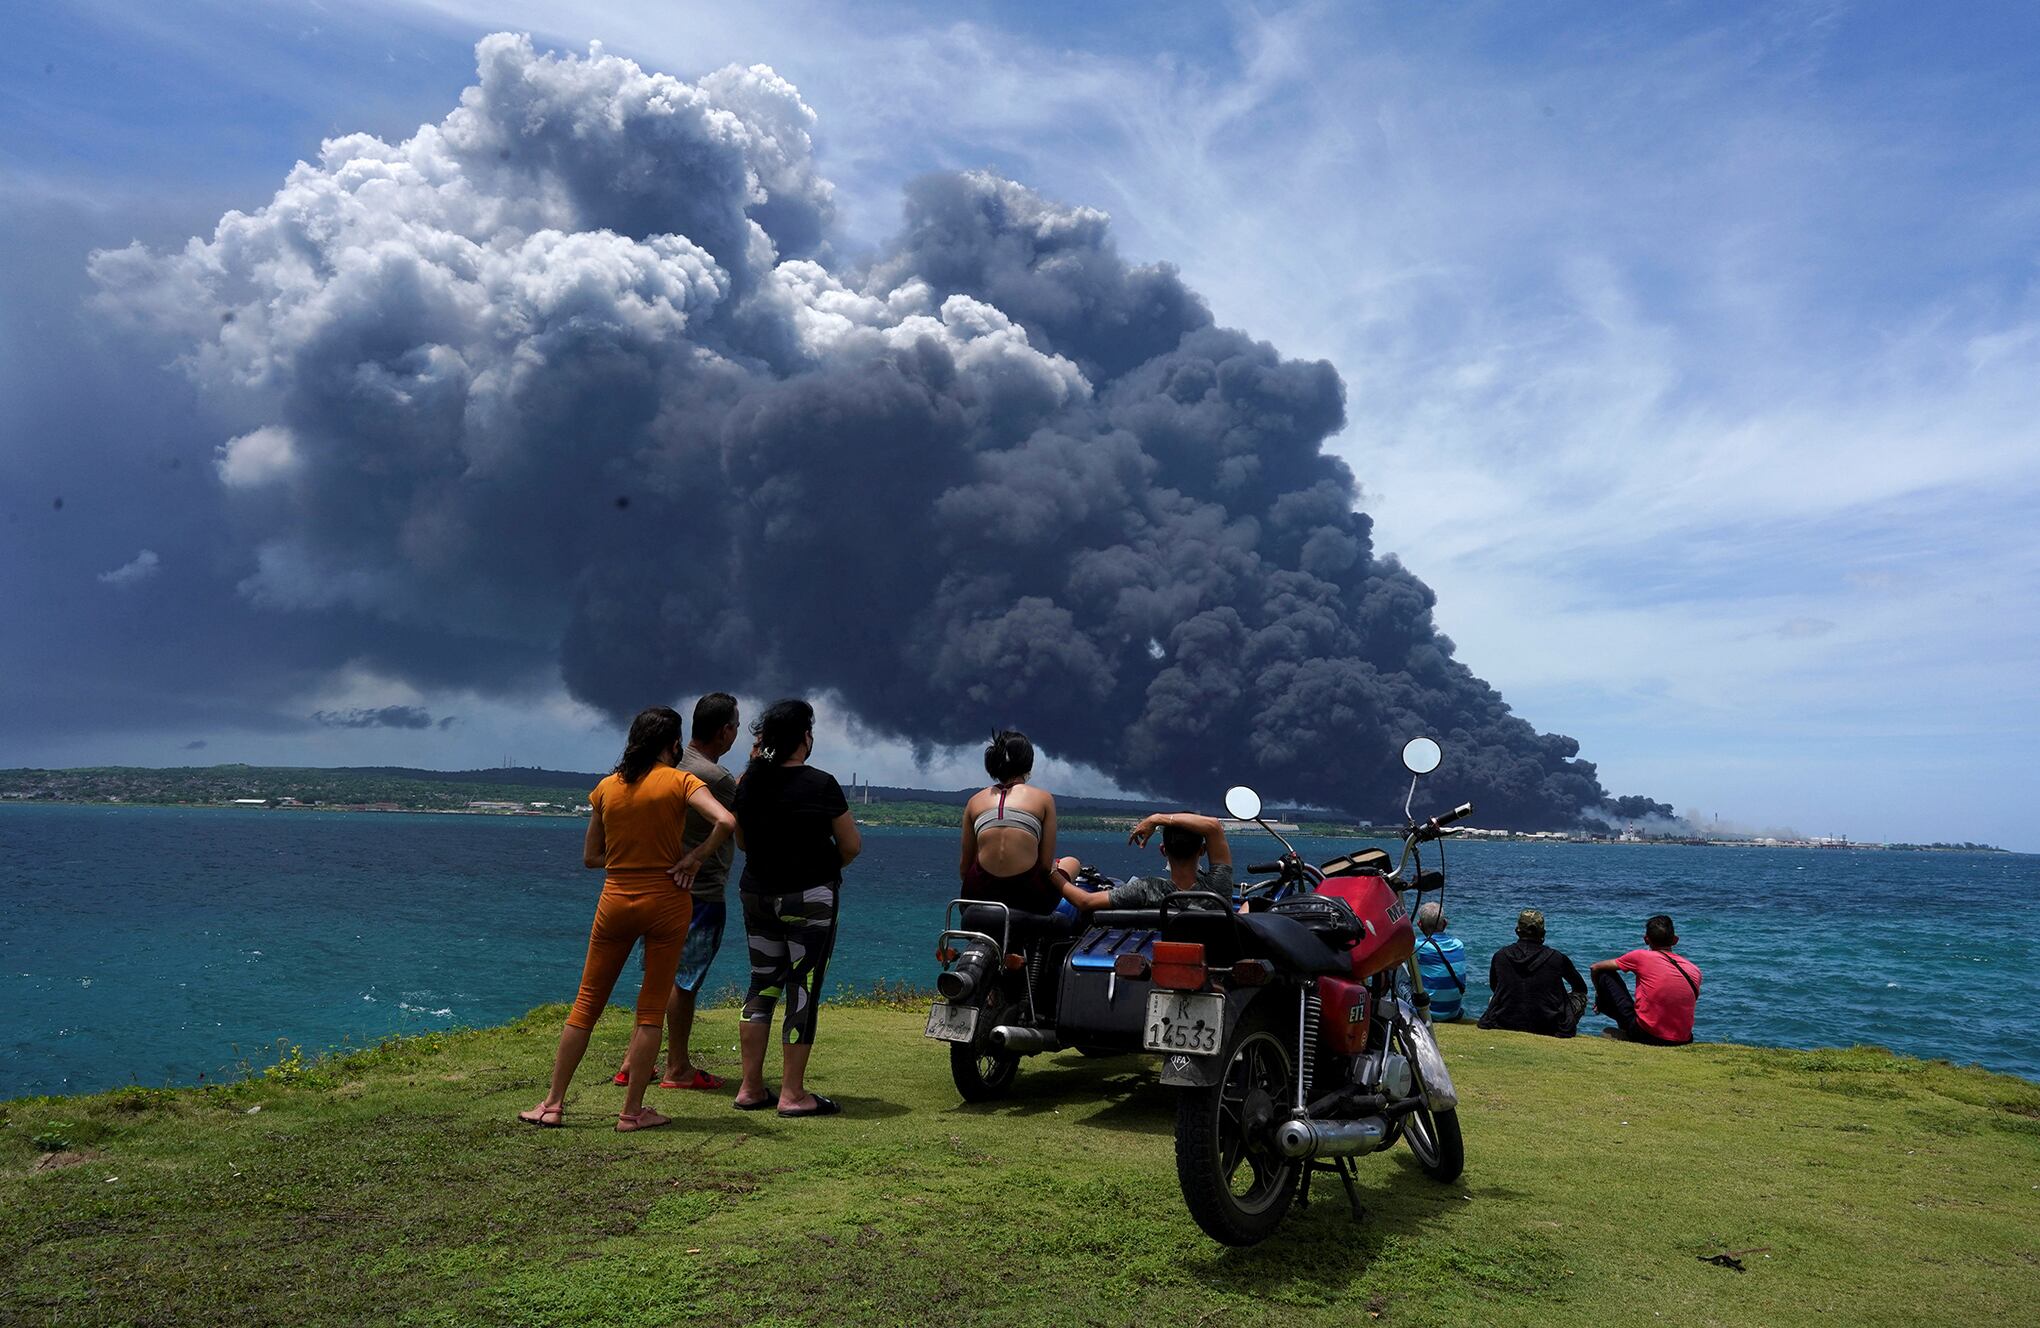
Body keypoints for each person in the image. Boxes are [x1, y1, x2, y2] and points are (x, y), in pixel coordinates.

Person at [520, 705, 735, 1132]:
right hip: (669, 900)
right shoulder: (682, 781)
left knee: (586, 1005)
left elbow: (590, 858)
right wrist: (693, 859)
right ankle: (632, 1113)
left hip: (615, 899)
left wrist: (627, 860)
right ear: (673, 744)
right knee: (650, 1012)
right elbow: (726, 821)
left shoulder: (605, 789)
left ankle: (552, 1104)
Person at [731, 699, 861, 1117]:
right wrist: (821, 869)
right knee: (802, 987)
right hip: (810, 897)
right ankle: (792, 1093)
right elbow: (851, 845)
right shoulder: (821, 783)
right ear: (805, 737)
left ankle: (750, 1088)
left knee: (761, 984)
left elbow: (743, 842)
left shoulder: (749, 782)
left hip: (756, 892)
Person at [611, 692, 741, 1092]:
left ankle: (634, 1062)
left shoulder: (665, 767)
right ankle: (677, 1067)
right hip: (699, 891)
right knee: (685, 983)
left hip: (656, 888)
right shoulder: (715, 779)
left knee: (658, 976)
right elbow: (736, 826)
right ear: (724, 731)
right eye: (735, 725)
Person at [958, 730, 1066, 913]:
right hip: (1028, 900)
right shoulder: (1044, 799)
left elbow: (964, 868)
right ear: (1027, 762)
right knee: (1071, 862)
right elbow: (1046, 866)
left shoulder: (974, 801)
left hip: (977, 897)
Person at [1060, 812, 1233, 911]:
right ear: (1202, 850)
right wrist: (1156, 819)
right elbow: (1213, 826)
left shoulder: (1147, 889)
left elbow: (1085, 902)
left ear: (1163, 850)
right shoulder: (1217, 888)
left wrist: (1051, 871)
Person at [1590, 914, 1702, 1046]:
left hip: (1647, 1034)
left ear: (1646, 940)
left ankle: (1626, 1032)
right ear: (1675, 940)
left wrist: (1599, 995)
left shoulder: (1641, 956)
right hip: (1683, 1039)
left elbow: (1595, 967)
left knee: (1604, 972)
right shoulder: (1694, 970)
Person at [1477, 909, 1588, 1038]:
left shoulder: (1500, 955)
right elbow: (1581, 988)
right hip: (1549, 1025)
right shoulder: (1557, 958)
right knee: (1580, 997)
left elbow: (1494, 987)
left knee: (1496, 997)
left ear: (1517, 931)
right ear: (1543, 932)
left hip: (1504, 1020)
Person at [1414, 901, 1469, 1022]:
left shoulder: (1418, 946)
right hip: (1453, 1012)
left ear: (1419, 924)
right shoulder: (1458, 944)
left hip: (1428, 1012)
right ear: (1445, 923)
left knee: (1400, 972)